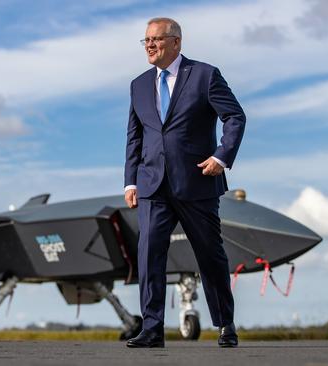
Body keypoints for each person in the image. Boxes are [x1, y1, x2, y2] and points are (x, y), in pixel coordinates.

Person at [124, 17, 246, 348]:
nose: (149, 45)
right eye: (145, 40)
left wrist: (221, 156)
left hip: (197, 182)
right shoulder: (138, 85)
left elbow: (234, 116)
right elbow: (135, 136)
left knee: (210, 255)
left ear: (176, 42)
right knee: (149, 255)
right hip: (152, 186)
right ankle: (152, 329)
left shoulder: (205, 75)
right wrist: (130, 182)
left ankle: (225, 324)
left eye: (157, 39)